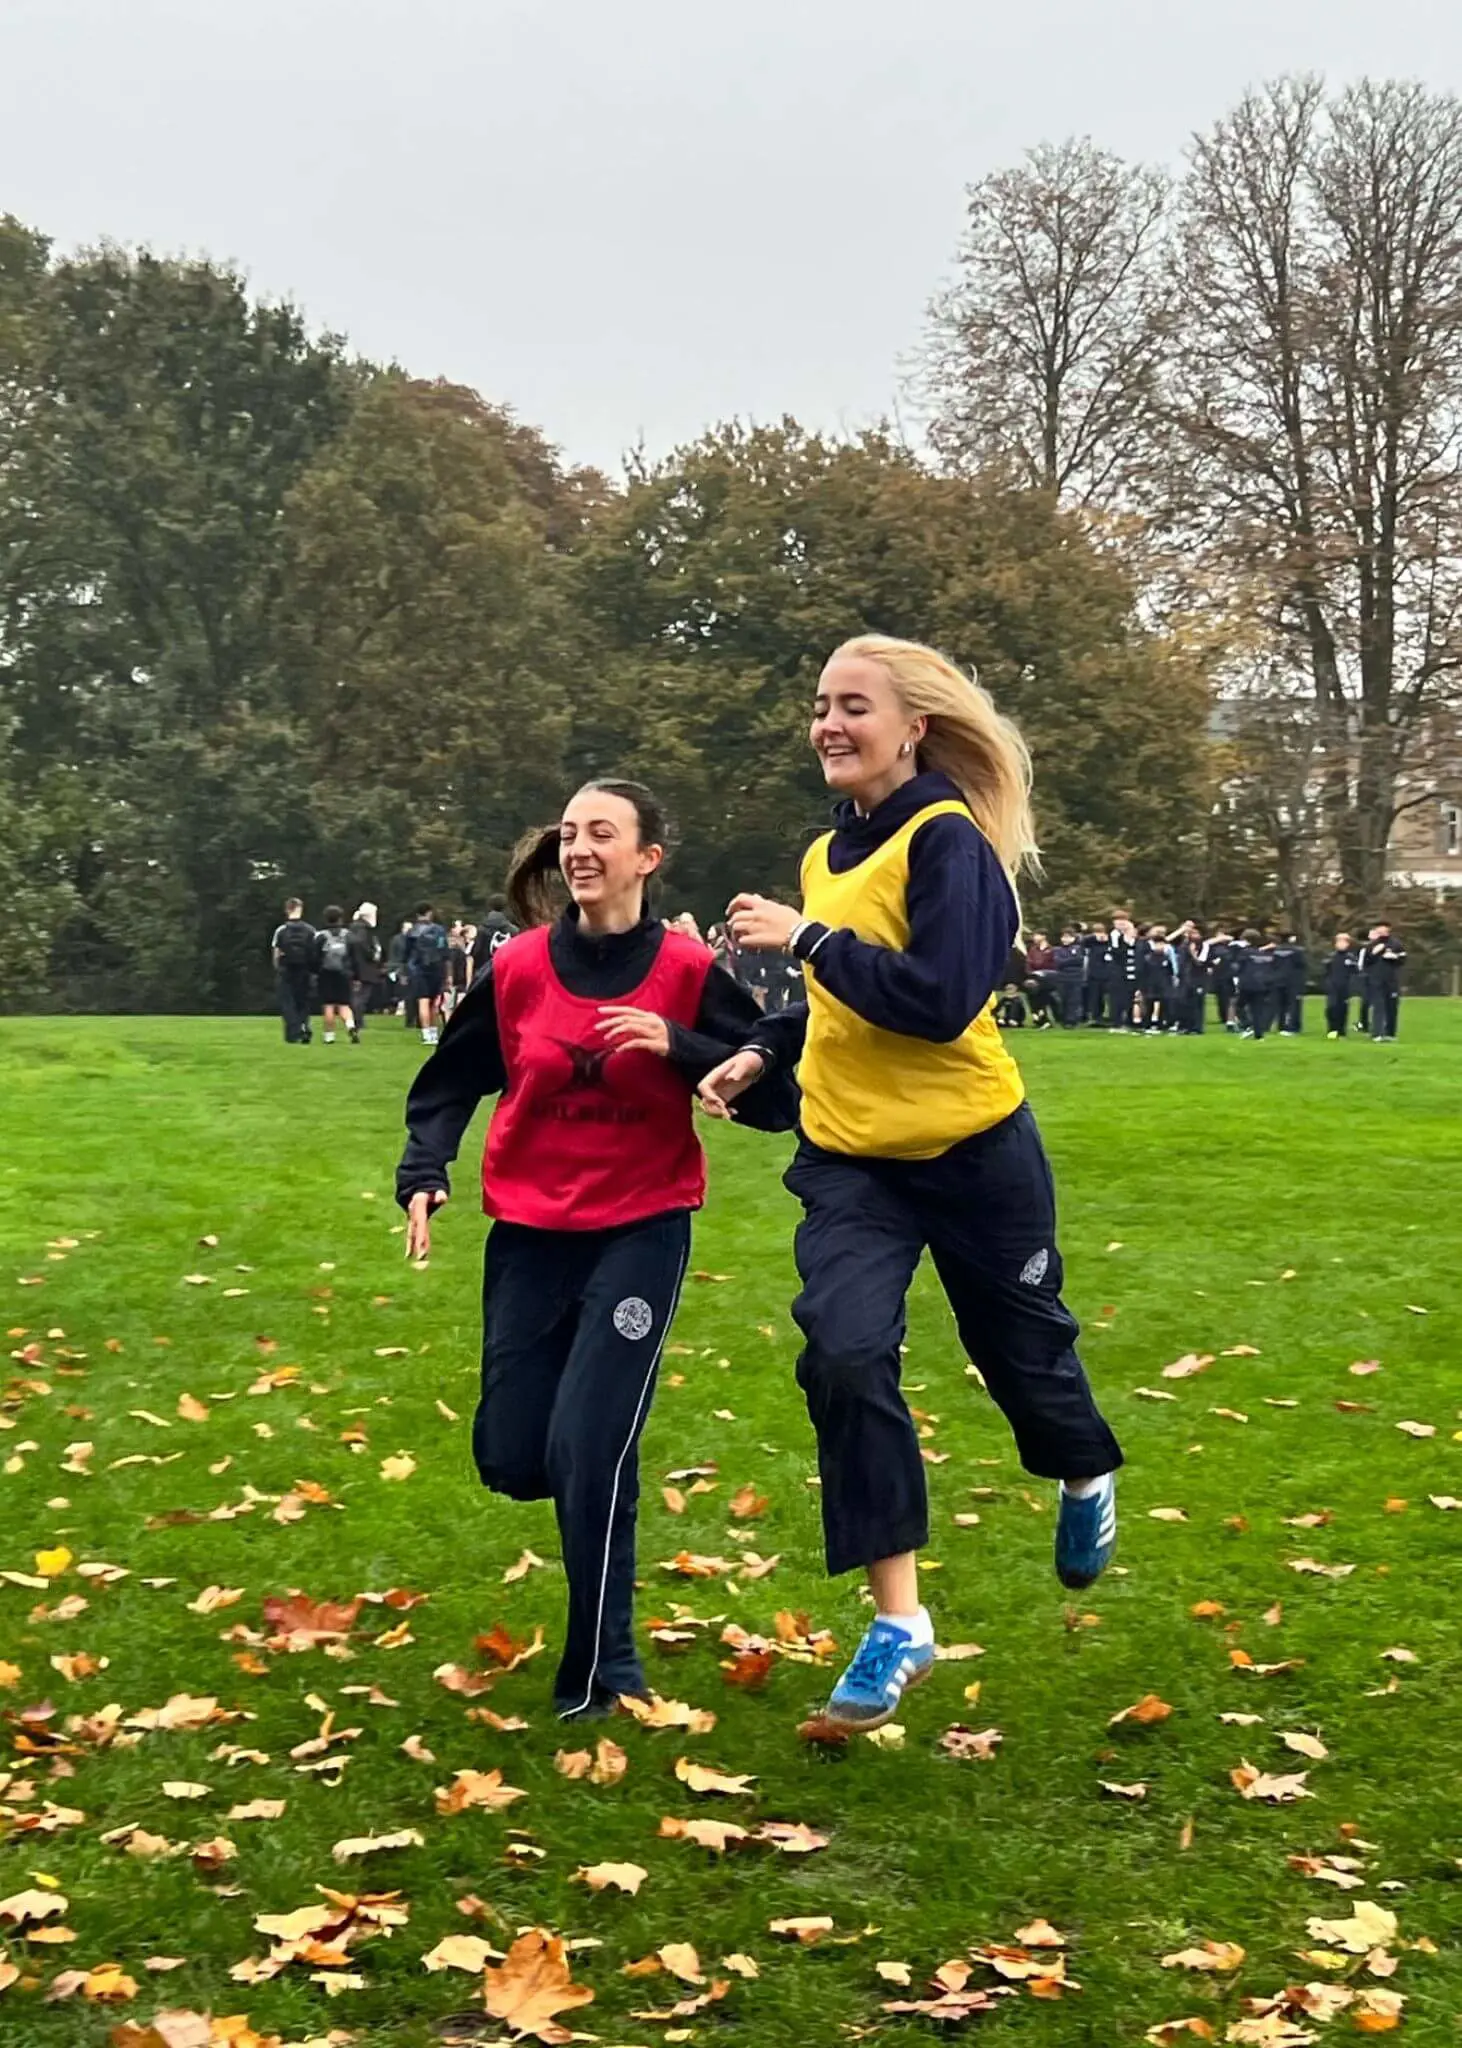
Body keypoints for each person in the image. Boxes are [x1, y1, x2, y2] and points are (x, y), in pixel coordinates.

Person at [697, 633, 1123, 1734]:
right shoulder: (822, 855)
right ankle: (899, 1621)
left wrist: (809, 941)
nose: (829, 724)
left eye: (853, 705)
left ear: (912, 726)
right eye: (819, 704)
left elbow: (934, 998)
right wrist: (769, 1047)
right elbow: (840, 992)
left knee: (1022, 1356)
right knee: (841, 1351)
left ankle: (1081, 1471)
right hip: (851, 1164)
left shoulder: (951, 842)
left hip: (975, 1155)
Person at [394, 780, 791, 1721]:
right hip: (529, 1234)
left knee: (591, 1444)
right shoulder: (522, 966)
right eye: (570, 833)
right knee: (515, 1455)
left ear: (647, 858)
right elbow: (451, 1079)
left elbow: (776, 1100)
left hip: (641, 1229)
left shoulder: (690, 970)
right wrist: (425, 1169)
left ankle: (601, 1668)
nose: (579, 848)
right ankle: (587, 1505)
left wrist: (681, 1045)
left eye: (600, 834)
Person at [271, 898, 317, 1045]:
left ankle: (292, 1033)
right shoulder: (310, 930)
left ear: (287, 910)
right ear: (300, 909)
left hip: (287, 970)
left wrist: (278, 968)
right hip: (305, 970)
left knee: (287, 1002)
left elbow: (276, 953)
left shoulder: (281, 930)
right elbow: (315, 952)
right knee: (303, 1002)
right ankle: (304, 1027)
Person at [404, 902, 449, 1044]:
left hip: (418, 969)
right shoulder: (439, 930)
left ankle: (425, 1034)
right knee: (434, 1003)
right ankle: (434, 1033)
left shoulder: (412, 932)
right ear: (430, 912)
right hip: (436, 968)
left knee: (422, 1001)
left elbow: (407, 953)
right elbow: (444, 951)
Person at [315, 906, 359, 1045]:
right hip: (344, 974)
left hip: (325, 974)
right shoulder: (348, 935)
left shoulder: (321, 936)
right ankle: (351, 1026)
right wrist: (356, 975)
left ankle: (329, 1036)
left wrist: (316, 972)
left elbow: (314, 957)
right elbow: (354, 957)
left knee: (328, 1005)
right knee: (344, 1004)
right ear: (341, 918)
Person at [1361, 923, 1405, 1040]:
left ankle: (1390, 1033)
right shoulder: (1372, 945)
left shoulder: (1396, 944)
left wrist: (1394, 957)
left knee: (1392, 1007)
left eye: (1383, 930)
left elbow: (1403, 959)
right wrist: (1374, 953)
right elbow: (1366, 962)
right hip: (1376, 981)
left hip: (1391, 980)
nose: (1381, 932)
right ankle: (1377, 1033)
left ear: (1388, 930)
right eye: (1379, 930)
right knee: (1378, 1007)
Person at [348, 902, 384, 1028]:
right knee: (361, 996)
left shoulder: (353, 928)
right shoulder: (364, 930)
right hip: (365, 968)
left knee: (357, 995)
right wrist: (372, 954)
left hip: (355, 967)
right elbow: (362, 946)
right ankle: (358, 1021)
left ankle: (356, 1020)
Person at [1236, 929, 1275, 1037]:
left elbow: (1238, 967)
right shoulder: (1263, 954)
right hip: (1262, 984)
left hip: (1247, 984)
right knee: (1257, 1009)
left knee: (1239, 1006)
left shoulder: (1244, 953)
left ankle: (1247, 1025)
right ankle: (1259, 1034)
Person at [470, 897, 517, 983]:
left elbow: (476, 952)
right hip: (505, 975)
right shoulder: (513, 931)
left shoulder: (482, 929)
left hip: (484, 974)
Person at [1273, 932, 1307, 1035]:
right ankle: (1292, 1026)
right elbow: (1302, 965)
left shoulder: (1276, 951)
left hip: (1278, 980)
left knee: (1281, 1005)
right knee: (1293, 1004)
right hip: (1293, 981)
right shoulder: (1297, 951)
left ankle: (1281, 1025)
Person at [1324, 932, 1355, 1038]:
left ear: (1348, 944)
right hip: (1332, 986)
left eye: (1344, 942)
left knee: (1343, 1008)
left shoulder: (1351, 958)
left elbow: (1355, 972)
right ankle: (1332, 1029)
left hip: (1345, 986)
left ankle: (1341, 1031)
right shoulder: (1331, 957)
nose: (1341, 944)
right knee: (1331, 1008)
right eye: (1339, 942)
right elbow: (1326, 971)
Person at [1052, 928, 1086, 1027]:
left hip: (1076, 977)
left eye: (1068, 937)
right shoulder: (1057, 950)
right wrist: (1071, 960)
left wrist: (1067, 961)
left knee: (1074, 999)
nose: (1065, 939)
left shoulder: (1078, 948)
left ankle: (1071, 1020)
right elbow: (1058, 962)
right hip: (1062, 977)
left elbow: (1079, 961)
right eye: (1064, 937)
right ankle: (1063, 1018)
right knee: (1063, 999)